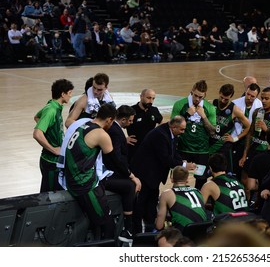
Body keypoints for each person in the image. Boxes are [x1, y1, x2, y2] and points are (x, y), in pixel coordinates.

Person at [130, 116, 196, 235]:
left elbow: (174, 153)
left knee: (151, 202)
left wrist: (184, 162)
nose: (183, 132)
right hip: (144, 174)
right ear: (173, 127)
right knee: (140, 204)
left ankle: (150, 230)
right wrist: (184, 165)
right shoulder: (160, 135)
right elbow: (166, 159)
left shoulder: (171, 134)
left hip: (153, 174)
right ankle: (136, 233)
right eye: (181, 129)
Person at [60, 104, 118, 240]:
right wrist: (131, 175)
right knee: (107, 224)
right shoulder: (101, 134)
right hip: (85, 185)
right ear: (109, 120)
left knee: (97, 223)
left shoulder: (83, 125)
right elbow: (114, 161)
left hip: (72, 180)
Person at [102, 105, 141, 243]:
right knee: (131, 186)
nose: (131, 123)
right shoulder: (116, 132)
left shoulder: (115, 129)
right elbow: (116, 158)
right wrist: (130, 175)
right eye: (130, 121)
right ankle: (128, 228)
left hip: (111, 170)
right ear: (123, 119)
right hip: (109, 173)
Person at [239, 87, 270, 198]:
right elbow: (250, 133)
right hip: (253, 150)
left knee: (265, 182)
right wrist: (244, 154)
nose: (264, 101)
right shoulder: (258, 112)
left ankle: (258, 203)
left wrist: (267, 130)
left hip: (268, 152)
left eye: (267, 98)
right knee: (245, 180)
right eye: (262, 98)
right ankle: (247, 206)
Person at [171, 80, 217, 189]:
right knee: (179, 179)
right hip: (182, 149)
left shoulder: (209, 108)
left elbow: (212, 132)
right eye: (195, 95)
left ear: (205, 95)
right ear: (192, 91)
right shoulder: (180, 104)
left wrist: (204, 117)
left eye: (200, 97)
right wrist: (186, 115)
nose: (197, 99)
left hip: (201, 151)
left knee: (201, 181)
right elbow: (172, 127)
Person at [33, 79, 74, 192]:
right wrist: (53, 149)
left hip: (53, 161)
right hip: (50, 161)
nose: (71, 96)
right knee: (49, 196)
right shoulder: (51, 109)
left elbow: (37, 117)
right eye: (69, 93)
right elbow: (37, 134)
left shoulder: (54, 106)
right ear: (63, 94)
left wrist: (49, 131)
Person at [209, 84, 250, 173]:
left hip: (223, 146)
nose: (223, 100)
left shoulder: (235, 110)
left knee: (223, 174)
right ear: (219, 93)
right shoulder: (213, 103)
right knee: (205, 174)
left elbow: (248, 126)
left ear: (231, 96)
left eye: (226, 99)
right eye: (222, 97)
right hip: (210, 144)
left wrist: (235, 138)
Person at [155, 166, 208, 231]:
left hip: (184, 235)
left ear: (172, 179)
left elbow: (159, 226)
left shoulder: (167, 194)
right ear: (187, 180)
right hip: (203, 232)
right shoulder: (198, 191)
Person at [246, 126, 270, 209]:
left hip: (263, 200)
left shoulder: (257, 159)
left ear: (266, 138)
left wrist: (261, 185)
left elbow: (251, 186)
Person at [231, 82, 262, 181]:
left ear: (256, 97)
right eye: (247, 94)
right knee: (235, 168)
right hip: (236, 140)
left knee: (246, 170)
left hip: (250, 140)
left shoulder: (259, 105)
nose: (249, 97)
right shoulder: (235, 103)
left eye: (252, 96)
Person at [126, 88, 162, 163]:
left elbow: (162, 124)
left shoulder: (154, 110)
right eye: (148, 98)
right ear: (141, 96)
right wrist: (124, 139)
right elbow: (118, 124)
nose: (151, 101)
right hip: (134, 148)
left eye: (153, 98)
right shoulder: (131, 110)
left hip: (150, 147)